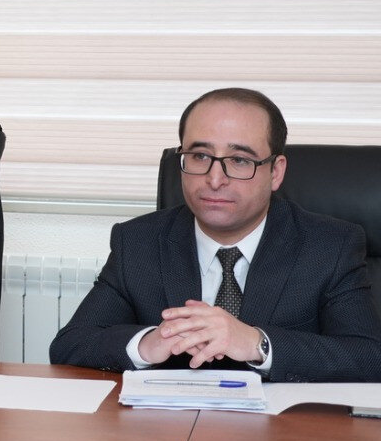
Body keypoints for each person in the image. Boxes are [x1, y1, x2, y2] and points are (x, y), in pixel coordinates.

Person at [50, 88, 381, 382]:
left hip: (281, 429)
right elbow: (70, 345)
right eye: (200, 156)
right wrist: (147, 344)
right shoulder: (139, 242)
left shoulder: (329, 246)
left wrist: (257, 343)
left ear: (275, 172)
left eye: (239, 160)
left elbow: (368, 357)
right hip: (168, 424)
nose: (215, 179)